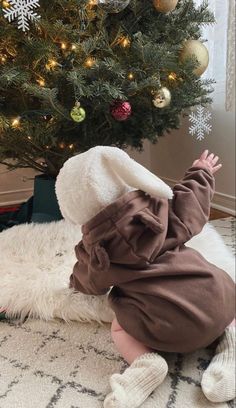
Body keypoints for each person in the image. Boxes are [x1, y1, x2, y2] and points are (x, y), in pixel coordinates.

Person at [56, 148, 235, 408]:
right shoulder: (160, 212)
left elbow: (88, 284)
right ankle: (230, 339)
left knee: (118, 324)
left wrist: (74, 281)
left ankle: (145, 362)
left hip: (164, 333)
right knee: (224, 288)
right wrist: (201, 172)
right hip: (216, 306)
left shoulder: (95, 254)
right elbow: (192, 203)